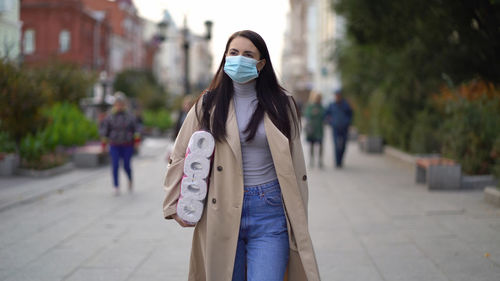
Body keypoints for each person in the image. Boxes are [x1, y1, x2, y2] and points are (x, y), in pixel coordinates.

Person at [162, 30, 320, 281]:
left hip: (270, 210)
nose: (239, 59)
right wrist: (174, 205)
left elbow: (295, 162)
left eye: (248, 54)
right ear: (225, 58)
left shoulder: (282, 103)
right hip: (220, 206)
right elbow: (180, 152)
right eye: (233, 53)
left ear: (260, 64)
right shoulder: (208, 104)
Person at [100, 92, 139, 195]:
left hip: (127, 144)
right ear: (114, 104)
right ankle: (116, 186)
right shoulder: (109, 116)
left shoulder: (130, 116)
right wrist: (104, 145)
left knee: (126, 165)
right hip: (114, 144)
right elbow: (105, 131)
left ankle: (130, 178)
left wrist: (137, 142)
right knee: (115, 165)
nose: (119, 105)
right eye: (117, 103)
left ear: (124, 104)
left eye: (121, 103)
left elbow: (136, 130)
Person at [324, 88, 353, 168]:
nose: (337, 96)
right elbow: (326, 115)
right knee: (336, 145)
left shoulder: (346, 104)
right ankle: (337, 162)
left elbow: (350, 114)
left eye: (338, 95)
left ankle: (340, 160)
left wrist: (347, 122)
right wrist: (330, 122)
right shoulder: (332, 105)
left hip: (344, 128)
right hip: (335, 128)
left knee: (343, 145)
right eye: (336, 95)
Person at [303, 91, 325, 168]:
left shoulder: (321, 107)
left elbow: (324, 114)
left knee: (320, 145)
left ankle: (320, 160)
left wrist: (317, 113)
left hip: (319, 129)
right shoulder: (310, 106)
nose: (317, 99)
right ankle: (311, 160)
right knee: (311, 145)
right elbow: (307, 114)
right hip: (312, 129)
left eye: (319, 98)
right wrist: (313, 113)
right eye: (316, 98)